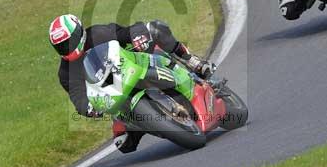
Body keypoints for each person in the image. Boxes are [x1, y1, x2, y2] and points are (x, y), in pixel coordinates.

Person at [49, 13, 213, 116]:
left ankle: (192, 61)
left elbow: (126, 32)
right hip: (114, 96)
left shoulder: (99, 34)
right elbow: (78, 96)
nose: (67, 48)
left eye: (69, 42)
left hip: (131, 66)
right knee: (124, 143)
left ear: (79, 33)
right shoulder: (65, 72)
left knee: (155, 29)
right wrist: (88, 109)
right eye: (61, 46)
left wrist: (137, 36)